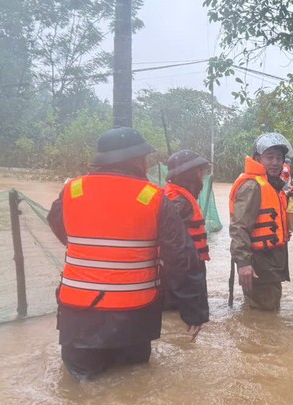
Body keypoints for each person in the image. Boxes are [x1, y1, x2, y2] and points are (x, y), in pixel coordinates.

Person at [48, 127, 202, 380]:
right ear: (134, 160)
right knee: (133, 388)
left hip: (78, 319)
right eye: (144, 158)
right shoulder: (153, 197)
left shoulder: (73, 190)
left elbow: (58, 227)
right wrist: (193, 310)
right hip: (134, 319)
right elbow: (181, 256)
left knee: (83, 392)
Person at [228, 132, 293, 310]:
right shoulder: (252, 186)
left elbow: (272, 206)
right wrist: (244, 263)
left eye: (279, 158)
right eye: (269, 157)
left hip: (271, 261)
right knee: (263, 312)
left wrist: (291, 194)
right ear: (257, 159)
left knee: (266, 307)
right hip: (259, 262)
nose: (275, 162)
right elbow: (239, 227)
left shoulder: (270, 184)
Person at [162, 150, 211, 332]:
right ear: (189, 176)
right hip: (183, 272)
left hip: (178, 272)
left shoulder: (172, 195)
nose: (202, 179)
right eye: (200, 173)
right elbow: (174, 248)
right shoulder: (179, 202)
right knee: (179, 328)